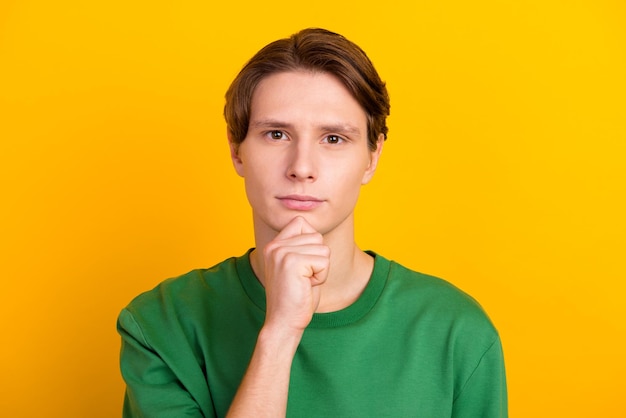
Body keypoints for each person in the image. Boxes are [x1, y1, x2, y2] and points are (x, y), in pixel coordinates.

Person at [117, 28, 507, 417]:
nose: (301, 167)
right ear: (237, 151)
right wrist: (280, 332)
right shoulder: (162, 325)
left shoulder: (456, 331)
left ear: (372, 157)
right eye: (276, 134)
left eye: (333, 139)